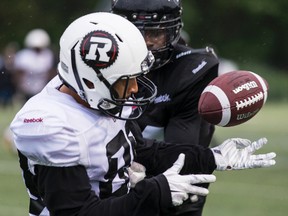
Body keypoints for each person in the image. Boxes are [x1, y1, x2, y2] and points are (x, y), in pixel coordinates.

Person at [10, 12, 276, 216]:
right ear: (91, 81)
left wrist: (210, 157)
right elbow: (77, 212)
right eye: (126, 80)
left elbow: (139, 150)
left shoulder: (94, 99)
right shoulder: (50, 124)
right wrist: (153, 192)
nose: (135, 88)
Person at [111, 0, 218, 215]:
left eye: (155, 33)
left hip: (174, 185)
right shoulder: (96, 64)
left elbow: (180, 157)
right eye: (136, 33)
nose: (146, 42)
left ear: (172, 32)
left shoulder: (190, 71)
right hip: (110, 179)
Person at [13, 28, 56, 103]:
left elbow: (50, 73)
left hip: (41, 89)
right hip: (27, 89)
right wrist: (19, 89)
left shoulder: (47, 55)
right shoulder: (24, 55)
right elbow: (18, 74)